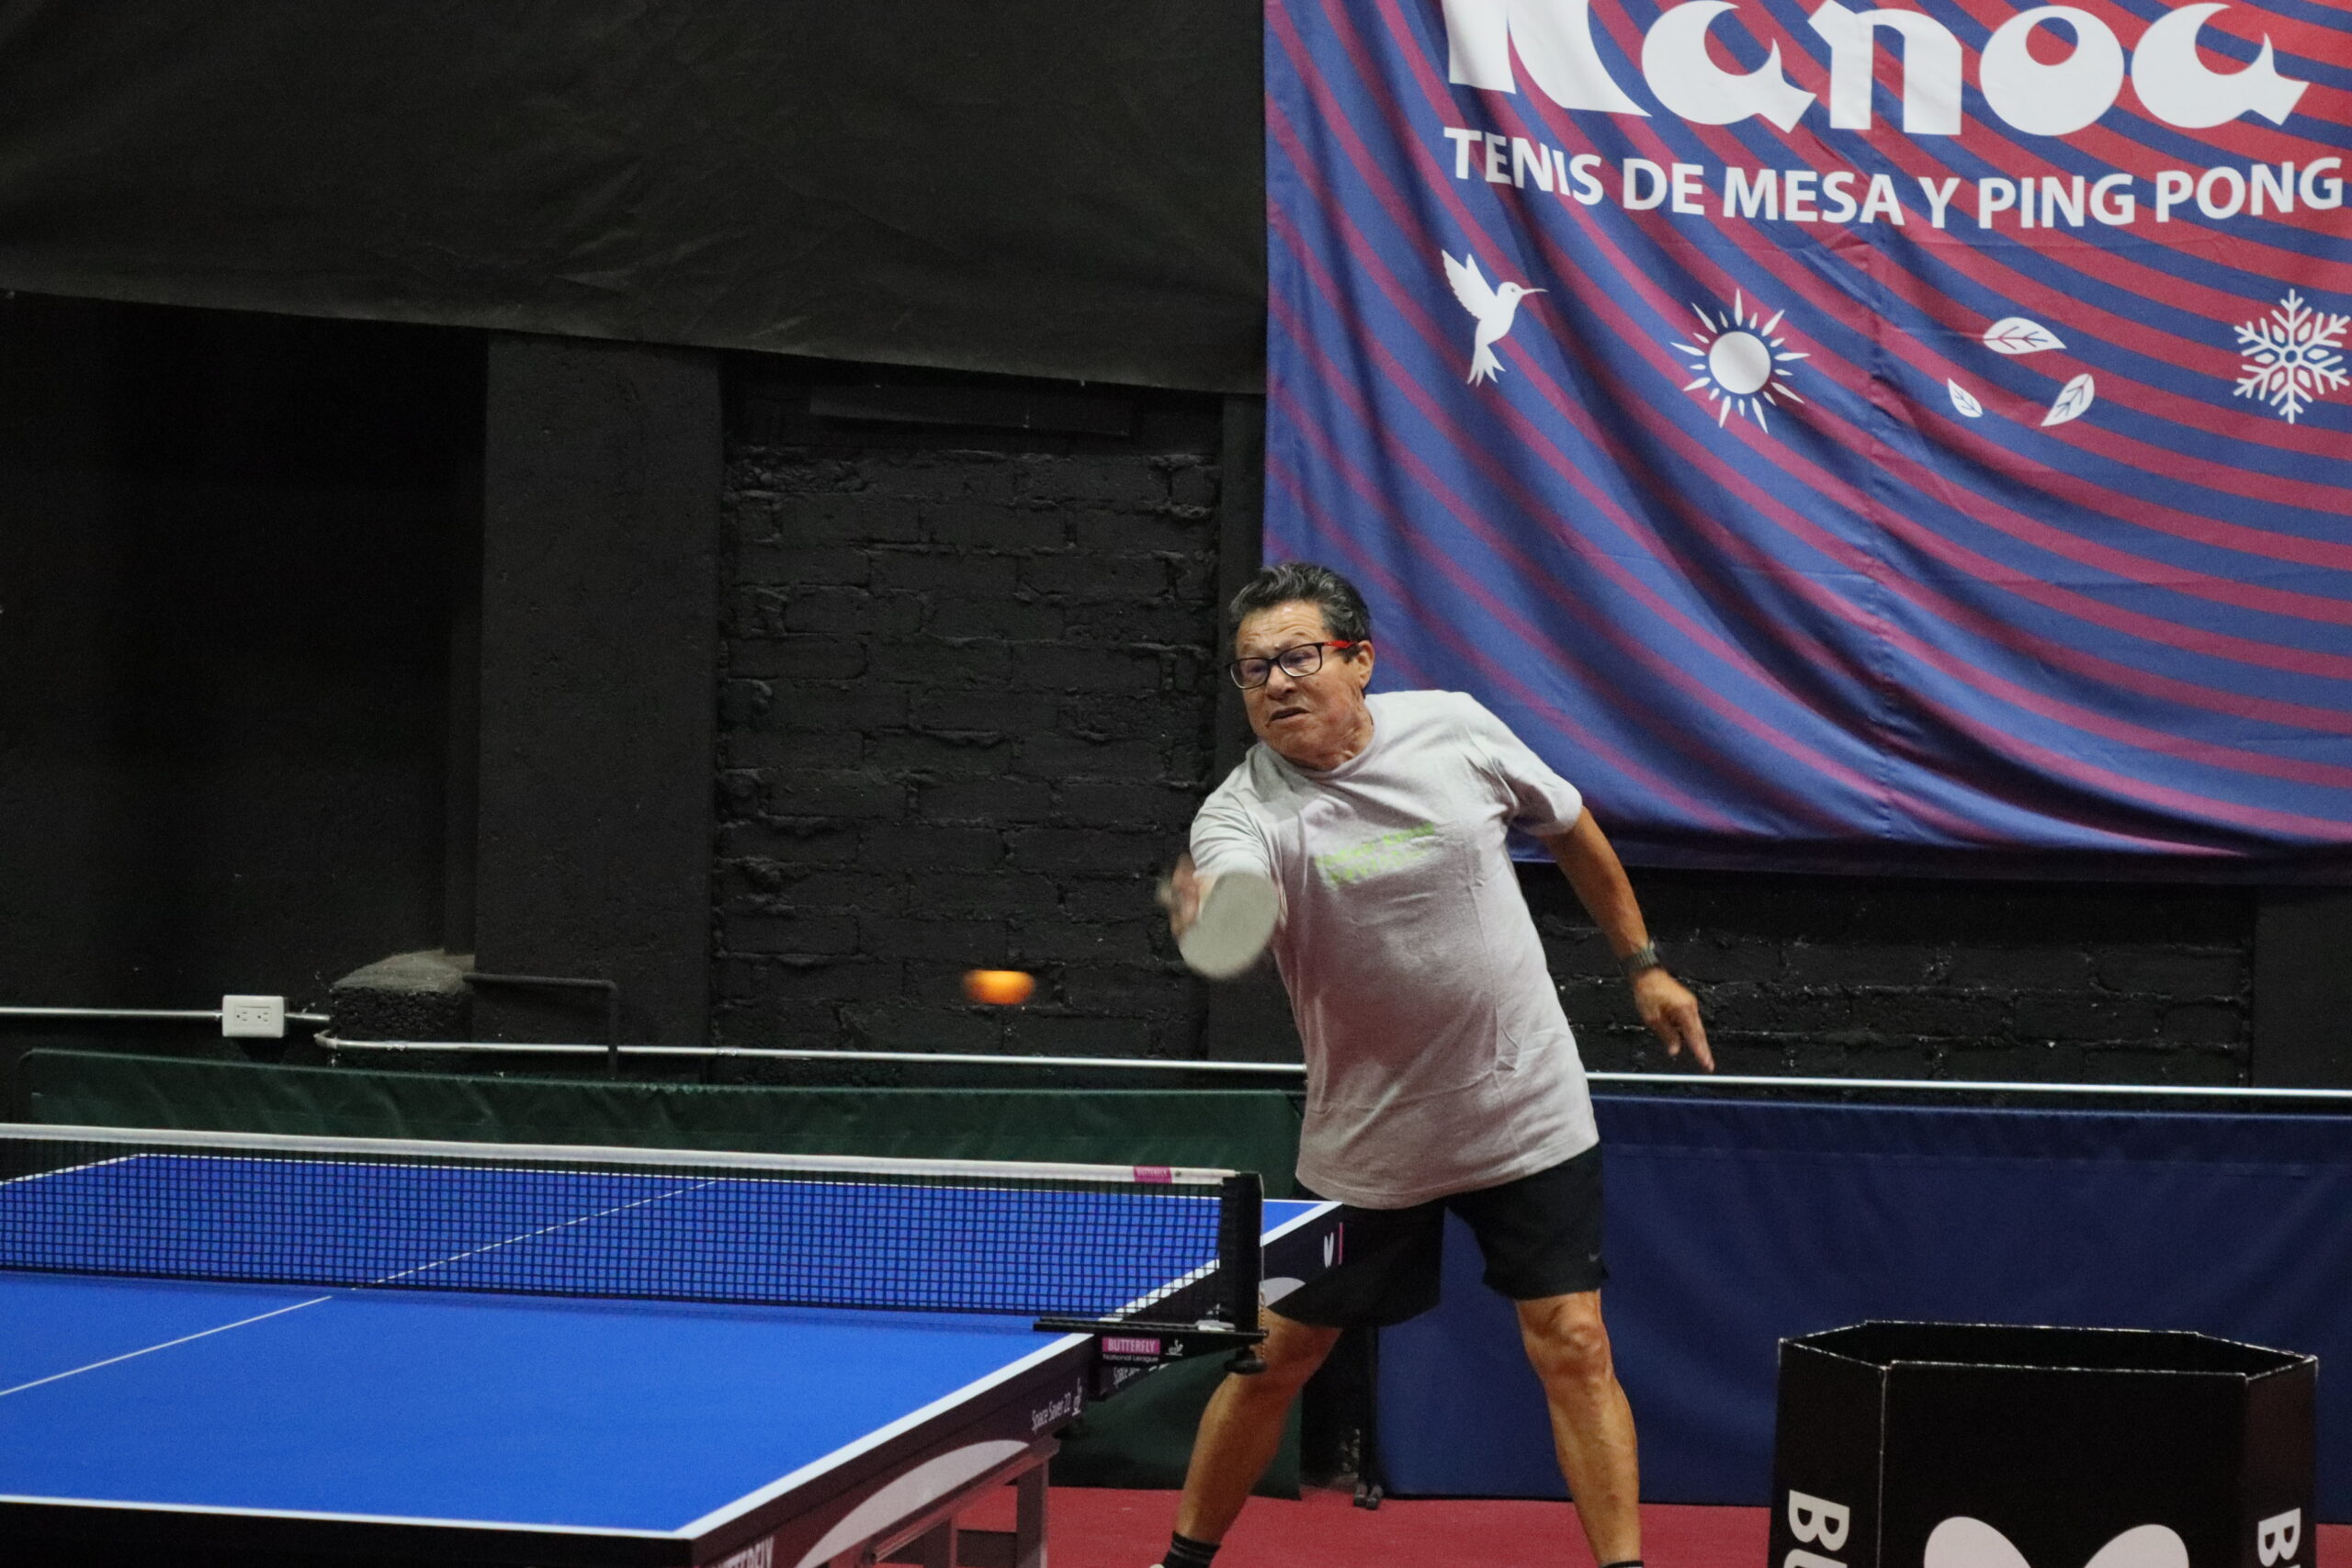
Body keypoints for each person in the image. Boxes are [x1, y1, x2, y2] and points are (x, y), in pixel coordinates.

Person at [1159, 560, 1711, 1568]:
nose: (1276, 684)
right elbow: (1236, 891)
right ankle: (1183, 1561)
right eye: (1253, 669)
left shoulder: (1454, 728)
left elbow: (1570, 826)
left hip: (1524, 1105)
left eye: (1298, 657)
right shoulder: (1241, 812)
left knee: (1575, 1342)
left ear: (1360, 660)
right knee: (1274, 1357)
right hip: (1370, 1140)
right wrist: (1219, 915)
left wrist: (1644, 966)